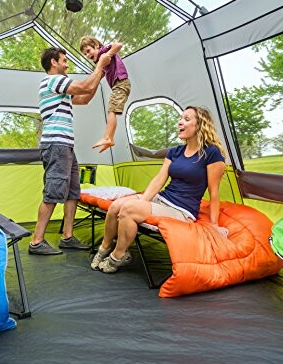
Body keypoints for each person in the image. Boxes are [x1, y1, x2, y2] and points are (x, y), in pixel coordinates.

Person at [91, 106, 228, 273]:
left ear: (200, 125)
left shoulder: (211, 153)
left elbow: (214, 191)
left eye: (186, 119)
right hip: (163, 199)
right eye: (180, 118)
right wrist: (144, 199)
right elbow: (159, 179)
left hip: (182, 210)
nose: (180, 122)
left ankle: (117, 257)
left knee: (128, 209)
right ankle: (104, 249)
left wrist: (214, 224)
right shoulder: (175, 151)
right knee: (115, 206)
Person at [29, 46, 112, 255]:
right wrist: (100, 65)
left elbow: (84, 98)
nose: (67, 64)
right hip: (56, 144)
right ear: (54, 63)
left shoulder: (60, 90)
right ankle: (37, 241)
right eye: (64, 60)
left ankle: (67, 236)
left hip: (65, 145)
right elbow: (84, 86)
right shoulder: (52, 80)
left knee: (72, 191)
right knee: (53, 191)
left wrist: (100, 73)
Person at [79, 36, 131, 153]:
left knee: (111, 110)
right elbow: (100, 73)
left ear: (96, 45)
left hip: (121, 82)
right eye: (85, 54)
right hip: (118, 85)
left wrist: (108, 54)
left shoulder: (103, 51)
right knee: (111, 110)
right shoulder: (99, 62)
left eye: (88, 51)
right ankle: (109, 138)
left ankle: (108, 137)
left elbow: (118, 45)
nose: (87, 55)